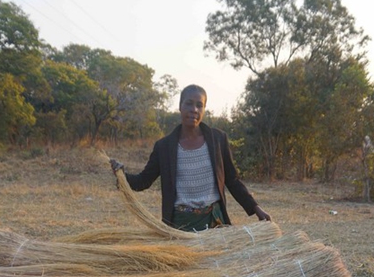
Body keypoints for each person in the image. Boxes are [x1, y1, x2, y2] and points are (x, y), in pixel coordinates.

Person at [110, 84, 271, 232]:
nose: (194, 109)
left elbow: (233, 181)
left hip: (215, 223)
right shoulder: (164, 147)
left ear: (204, 109)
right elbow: (143, 181)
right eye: (189, 103)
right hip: (181, 226)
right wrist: (121, 175)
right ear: (180, 107)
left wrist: (256, 208)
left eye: (199, 105)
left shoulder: (218, 139)